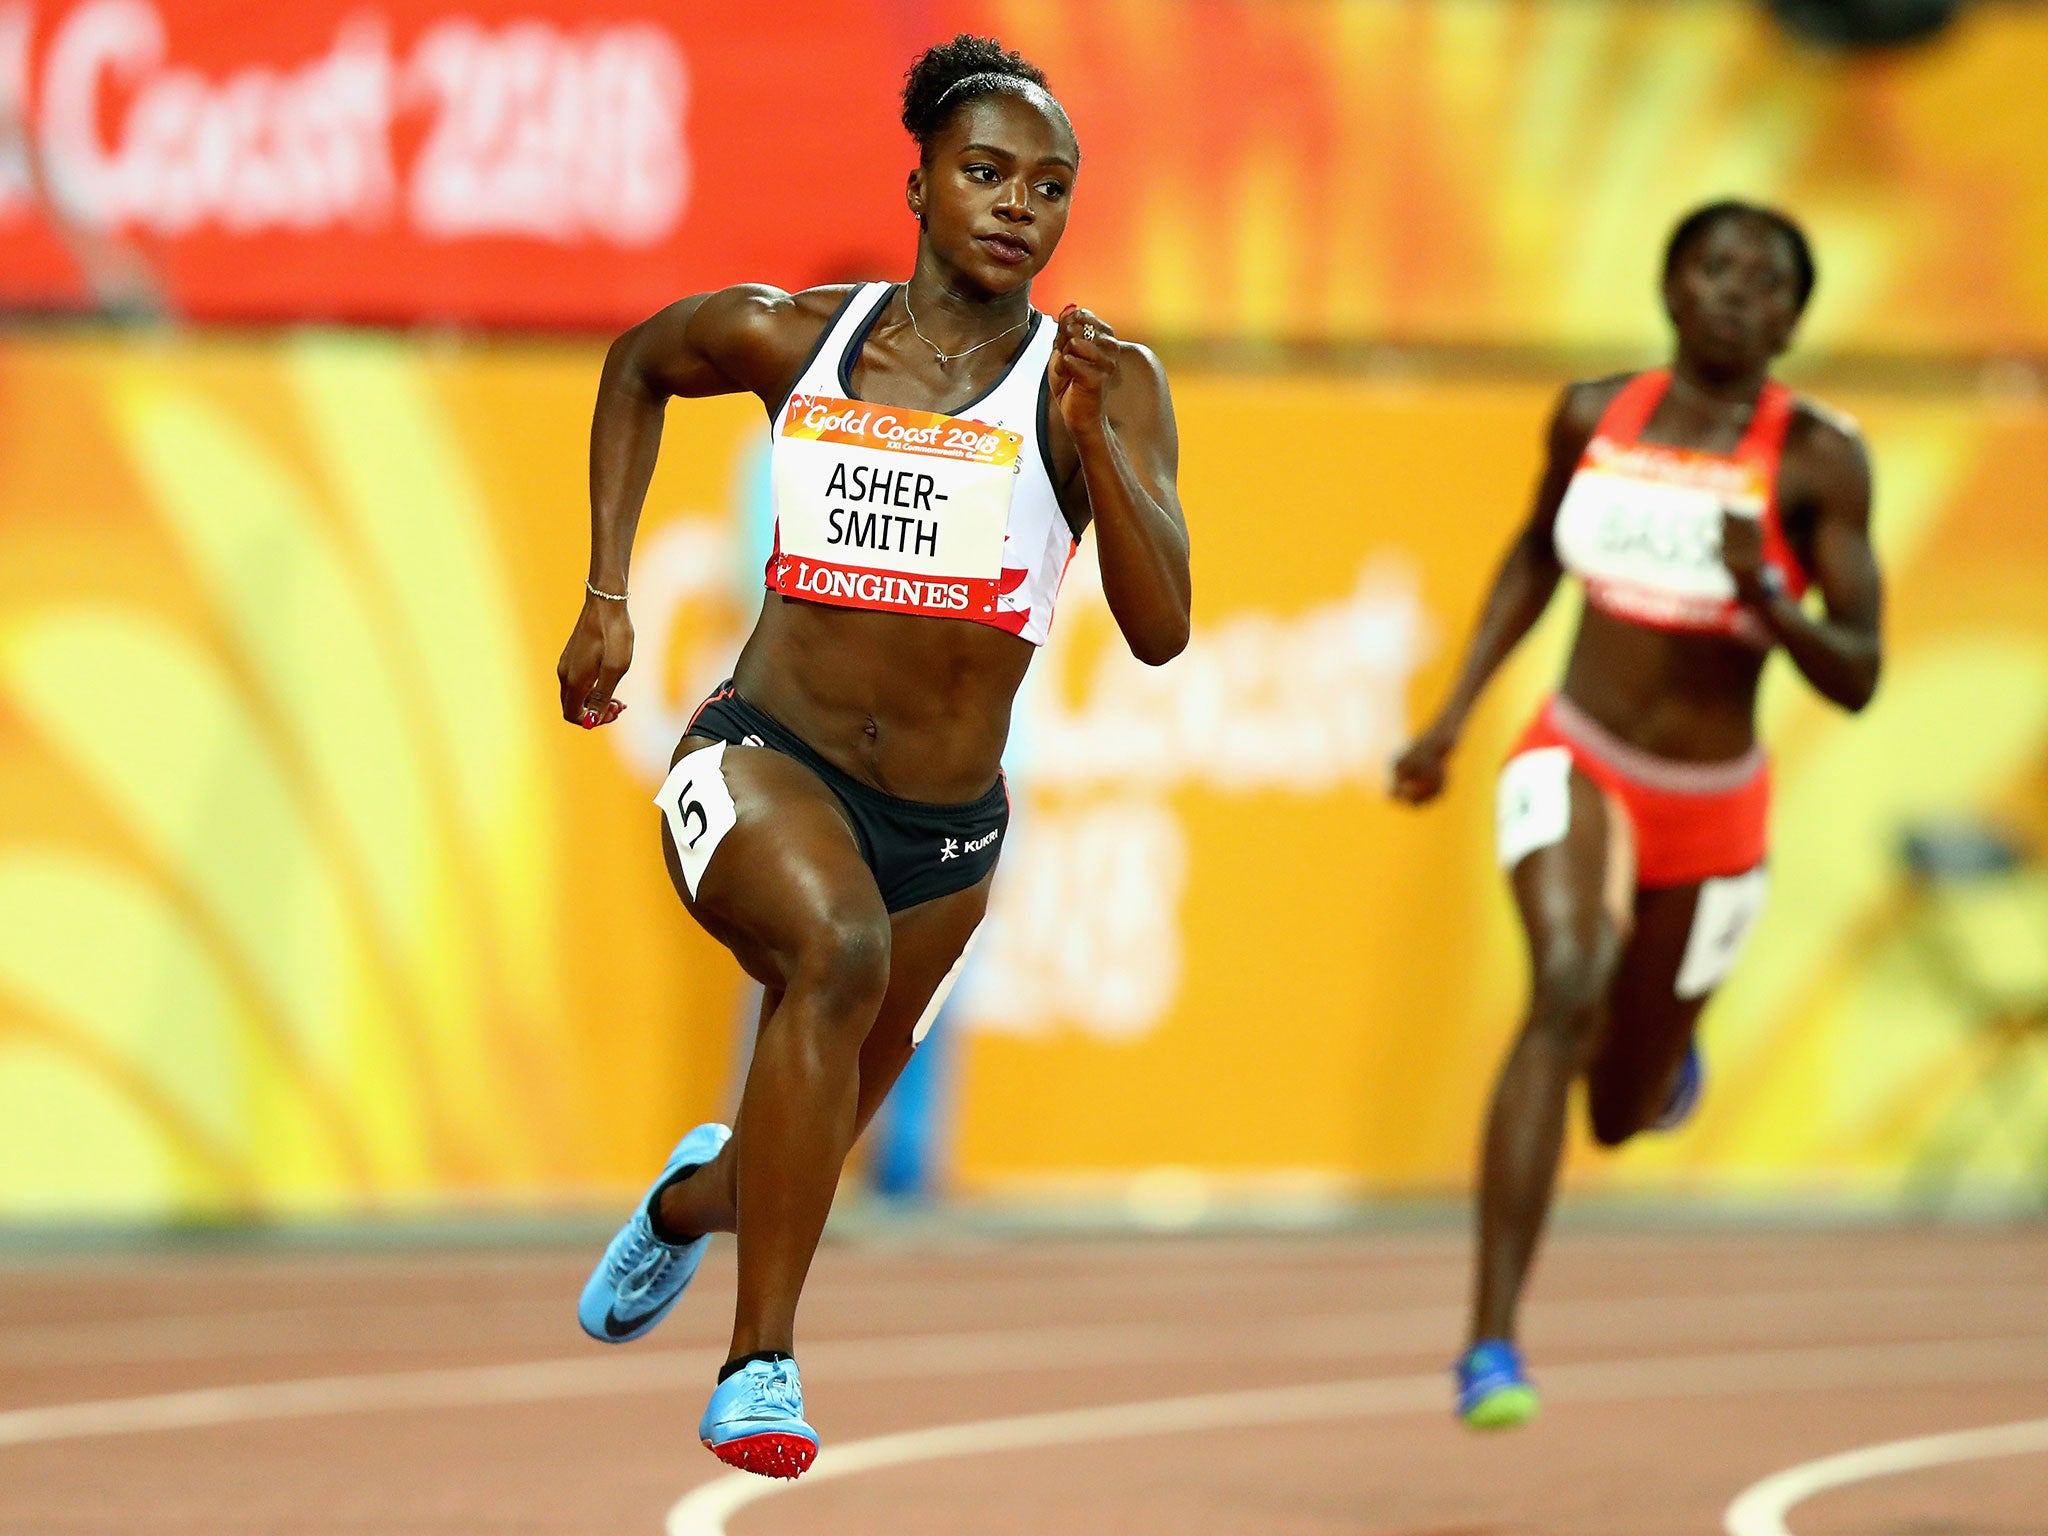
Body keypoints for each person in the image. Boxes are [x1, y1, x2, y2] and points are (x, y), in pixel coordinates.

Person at [554, 34, 1190, 1479]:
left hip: (948, 840)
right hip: (760, 763)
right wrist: (605, 599)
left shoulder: (1102, 379)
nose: (1017, 204)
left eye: (1049, 186)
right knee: (829, 955)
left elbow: (1161, 633)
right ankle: (759, 1369)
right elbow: (641, 360)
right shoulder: (803, 340)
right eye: (984, 172)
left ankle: (682, 1209)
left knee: (794, 1149)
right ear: (918, 184)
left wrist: (1102, 450)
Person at [1391, 202, 1881, 1429]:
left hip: (1712, 813)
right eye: (1711, 269)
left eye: (1763, 283)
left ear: (1791, 317)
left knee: (1614, 1110)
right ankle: (1489, 1347)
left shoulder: (1817, 460)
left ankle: (1657, 1062)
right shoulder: (1587, 414)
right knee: (1561, 979)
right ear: (1669, 284)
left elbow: (1859, 672)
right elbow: (1531, 555)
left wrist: (1768, 596)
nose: (1732, 294)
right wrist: (1450, 715)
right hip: (1577, 755)